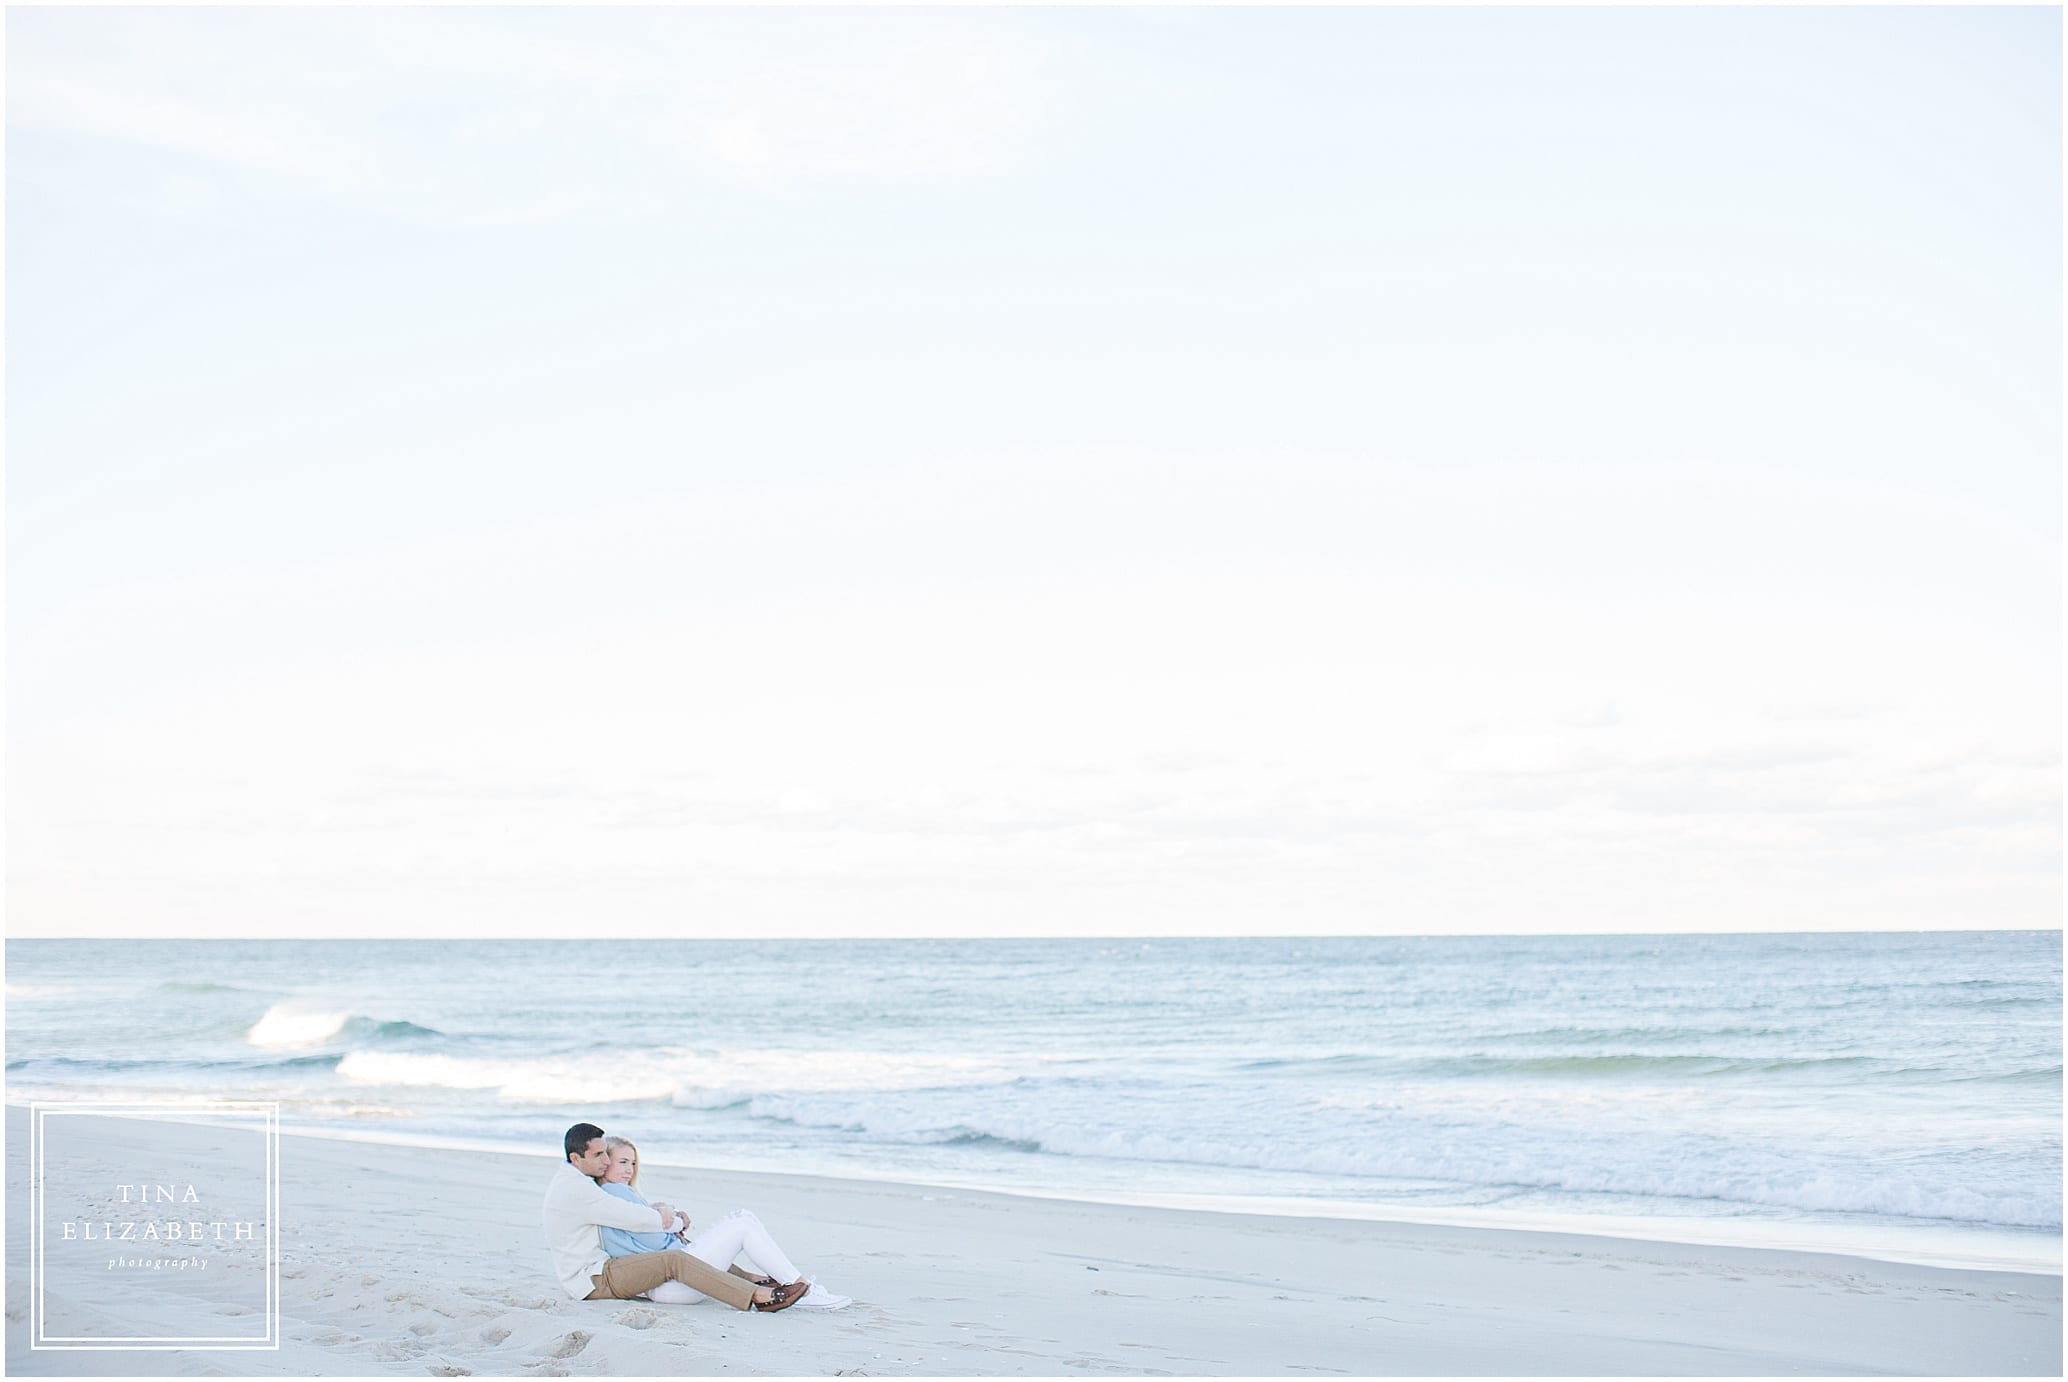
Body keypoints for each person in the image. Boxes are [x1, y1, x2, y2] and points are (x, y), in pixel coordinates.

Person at [541, 1122, 806, 1311]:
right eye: (599, 1155)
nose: (607, 1162)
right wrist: (676, 1220)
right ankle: (757, 1296)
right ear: (576, 1158)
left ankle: (751, 1280)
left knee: (679, 1252)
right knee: (674, 1258)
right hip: (593, 1278)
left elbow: (637, 1214)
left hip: (597, 1270)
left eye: (606, 1153)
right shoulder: (578, 1190)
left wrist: (662, 1209)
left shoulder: (576, 1181)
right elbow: (638, 1220)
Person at [593, 1135, 851, 1309]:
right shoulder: (615, 1192)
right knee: (742, 1220)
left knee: (741, 1223)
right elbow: (655, 1237)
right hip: (671, 1283)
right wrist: (671, 1219)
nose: (629, 1169)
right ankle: (802, 1289)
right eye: (623, 1162)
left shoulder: (608, 1198)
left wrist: (662, 1213)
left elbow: (646, 1233)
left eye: (633, 1163)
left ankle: (792, 1285)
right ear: (605, 1163)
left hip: (664, 1287)